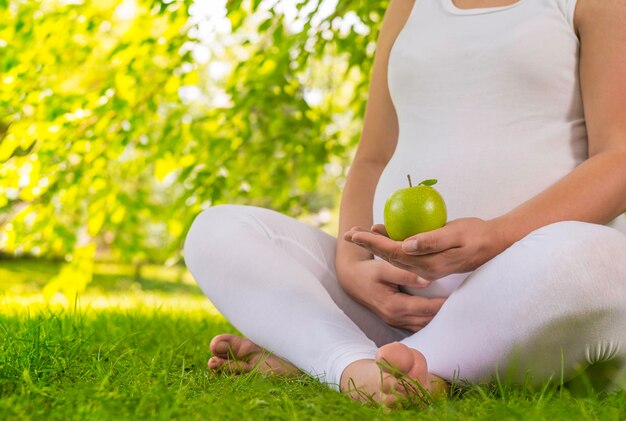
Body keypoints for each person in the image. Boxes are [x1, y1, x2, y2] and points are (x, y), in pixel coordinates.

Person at [183, 0, 626, 405]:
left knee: (586, 255)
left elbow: (619, 158)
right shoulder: (410, 4)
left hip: (531, 293)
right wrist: (352, 263)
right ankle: (363, 366)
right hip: (397, 299)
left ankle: (348, 361)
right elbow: (373, 156)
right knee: (218, 231)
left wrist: (495, 237)